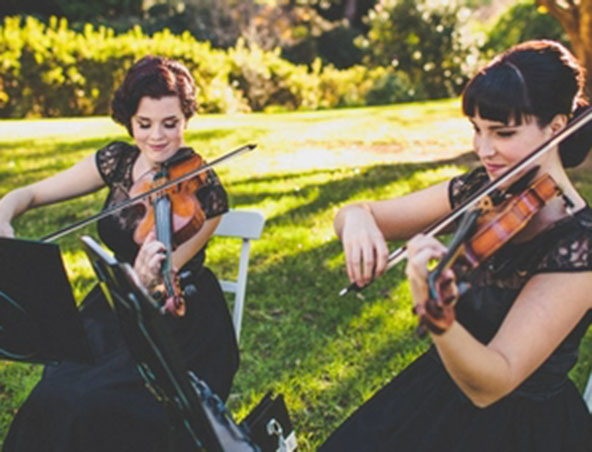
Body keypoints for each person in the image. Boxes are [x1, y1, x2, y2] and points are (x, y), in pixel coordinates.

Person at [321, 40, 592, 452]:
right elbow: (360, 211)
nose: (483, 150)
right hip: (437, 392)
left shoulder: (579, 246)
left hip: (519, 426)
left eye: (503, 133)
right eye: (477, 130)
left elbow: (493, 382)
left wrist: (437, 316)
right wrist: (356, 219)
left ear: (556, 127)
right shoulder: (482, 191)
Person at [0, 56, 239, 451]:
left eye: (171, 123)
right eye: (145, 125)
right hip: (109, 313)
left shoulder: (204, 193)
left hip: (174, 322)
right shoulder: (117, 162)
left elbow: (166, 283)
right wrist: (6, 211)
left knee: (92, 404)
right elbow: (30, 194)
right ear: (129, 121)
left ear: (186, 118)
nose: (158, 138)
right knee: (52, 397)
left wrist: (147, 279)